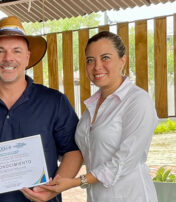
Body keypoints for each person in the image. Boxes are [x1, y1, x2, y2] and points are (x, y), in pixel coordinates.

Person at [0, 16, 83, 202]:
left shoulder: (54, 102)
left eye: (16, 51)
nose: (8, 58)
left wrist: (55, 187)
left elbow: (73, 151)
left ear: (27, 57)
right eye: (0, 51)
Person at [38, 31, 158, 202]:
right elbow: (83, 151)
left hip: (131, 196)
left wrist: (76, 182)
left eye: (105, 58)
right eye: (90, 60)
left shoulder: (137, 101)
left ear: (122, 61)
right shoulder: (91, 107)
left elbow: (123, 162)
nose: (97, 66)